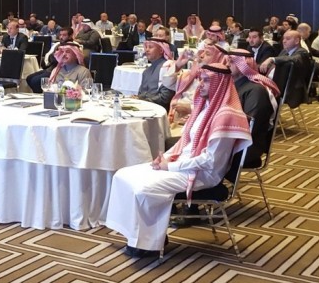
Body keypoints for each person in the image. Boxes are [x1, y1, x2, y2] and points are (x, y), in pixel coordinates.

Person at [105, 61, 252, 258]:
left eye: (206, 81)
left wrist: (171, 166)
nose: (201, 85)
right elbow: (186, 142)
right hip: (183, 163)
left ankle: (150, 243)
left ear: (219, 84)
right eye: (201, 80)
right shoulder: (206, 106)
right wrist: (164, 158)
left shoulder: (226, 116)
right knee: (122, 175)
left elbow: (210, 161)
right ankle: (136, 237)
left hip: (203, 174)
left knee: (144, 189)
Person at [225, 48, 279, 168]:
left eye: (232, 61)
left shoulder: (256, 90)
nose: (227, 64)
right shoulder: (235, 85)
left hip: (245, 147)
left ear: (244, 64)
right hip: (230, 139)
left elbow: (249, 125)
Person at [258, 30, 312, 109]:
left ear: (297, 41)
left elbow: (293, 59)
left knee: (258, 92)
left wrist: (272, 59)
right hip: (277, 83)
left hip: (291, 89)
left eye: (288, 39)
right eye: (283, 38)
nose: (284, 41)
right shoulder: (284, 51)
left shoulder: (302, 52)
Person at [27, 28, 78, 93]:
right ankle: (38, 93)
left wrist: (54, 57)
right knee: (29, 78)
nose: (61, 37)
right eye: (60, 35)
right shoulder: (58, 44)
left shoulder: (73, 46)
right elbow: (50, 57)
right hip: (51, 67)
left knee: (35, 81)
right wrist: (53, 57)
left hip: (61, 70)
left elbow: (59, 60)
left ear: (70, 36)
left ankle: (41, 95)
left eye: (64, 35)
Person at [137, 37, 176, 109]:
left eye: (150, 47)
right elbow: (141, 94)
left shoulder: (167, 67)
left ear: (161, 50)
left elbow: (165, 97)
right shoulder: (146, 71)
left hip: (160, 110)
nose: (147, 50)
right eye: (146, 47)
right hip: (143, 107)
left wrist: (143, 101)